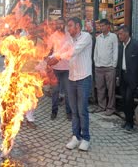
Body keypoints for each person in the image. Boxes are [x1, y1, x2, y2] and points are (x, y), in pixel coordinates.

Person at [65, 17, 92, 151]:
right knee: (74, 110)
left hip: (84, 78)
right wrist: (49, 58)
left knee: (82, 110)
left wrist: (57, 57)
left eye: (70, 26)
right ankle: (76, 136)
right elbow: (61, 49)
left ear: (77, 26)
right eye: (67, 26)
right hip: (72, 78)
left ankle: (86, 138)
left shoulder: (86, 37)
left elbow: (73, 51)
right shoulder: (69, 39)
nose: (68, 29)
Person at [47, 17, 72, 121]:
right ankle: (54, 111)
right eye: (58, 24)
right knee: (55, 91)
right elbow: (49, 51)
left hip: (67, 68)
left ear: (65, 24)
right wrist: (48, 63)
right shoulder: (53, 36)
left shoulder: (69, 35)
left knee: (68, 92)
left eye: (61, 23)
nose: (59, 25)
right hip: (55, 68)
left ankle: (69, 113)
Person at [93, 19, 118, 116]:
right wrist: (96, 62)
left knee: (111, 89)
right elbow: (96, 51)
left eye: (103, 25)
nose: (101, 27)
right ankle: (101, 106)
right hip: (99, 67)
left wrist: (113, 65)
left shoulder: (113, 37)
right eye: (100, 26)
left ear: (108, 26)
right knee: (100, 88)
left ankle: (111, 108)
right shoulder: (98, 38)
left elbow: (115, 51)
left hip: (109, 68)